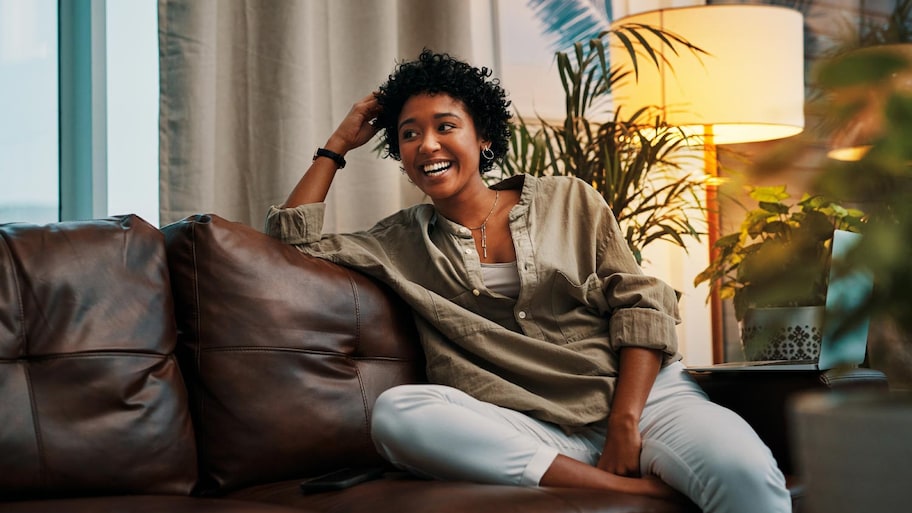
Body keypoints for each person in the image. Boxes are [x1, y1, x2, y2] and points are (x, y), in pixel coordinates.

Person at [265, 49, 791, 512]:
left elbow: (640, 305)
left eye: (445, 126)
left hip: (644, 402)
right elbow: (288, 244)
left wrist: (625, 424)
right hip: (532, 427)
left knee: (746, 475)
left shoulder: (568, 199)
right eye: (409, 134)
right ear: (400, 159)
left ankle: (622, 462)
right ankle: (625, 493)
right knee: (399, 412)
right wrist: (337, 145)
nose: (427, 144)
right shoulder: (397, 242)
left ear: (484, 137)